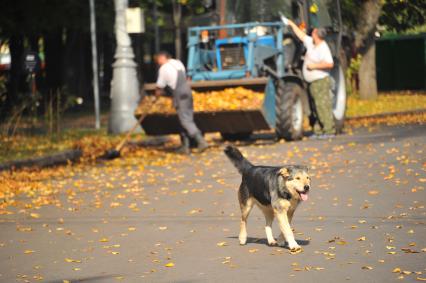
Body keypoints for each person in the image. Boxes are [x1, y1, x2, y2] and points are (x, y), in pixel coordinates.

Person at [286, 20, 336, 138]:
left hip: (321, 81)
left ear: (316, 35)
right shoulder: (311, 43)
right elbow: (301, 35)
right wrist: (292, 24)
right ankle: (319, 130)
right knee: (315, 107)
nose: (312, 32)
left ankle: (329, 130)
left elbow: (330, 64)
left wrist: (314, 66)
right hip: (312, 82)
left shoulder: (323, 48)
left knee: (323, 105)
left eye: (313, 32)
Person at [155, 51, 208, 153]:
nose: (157, 62)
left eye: (158, 59)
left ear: (162, 57)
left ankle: (201, 141)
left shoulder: (164, 68)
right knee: (185, 118)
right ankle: (185, 146)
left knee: (185, 120)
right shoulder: (178, 63)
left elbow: (159, 87)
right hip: (187, 91)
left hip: (179, 94)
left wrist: (158, 94)